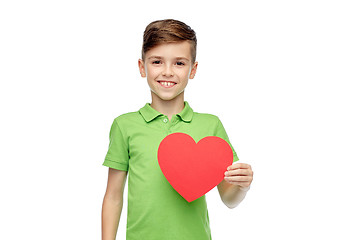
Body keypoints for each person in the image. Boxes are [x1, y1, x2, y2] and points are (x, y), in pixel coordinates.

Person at [101, 19, 253, 240]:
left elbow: (228, 199)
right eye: (157, 62)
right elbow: (113, 197)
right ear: (142, 67)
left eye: (179, 63)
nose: (168, 72)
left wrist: (242, 186)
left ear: (193, 69)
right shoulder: (124, 125)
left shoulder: (211, 126)